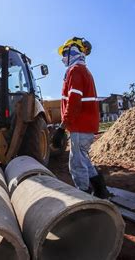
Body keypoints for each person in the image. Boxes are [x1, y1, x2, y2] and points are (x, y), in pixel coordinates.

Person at [57, 37, 110, 199]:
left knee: (77, 164)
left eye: (65, 52)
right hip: (85, 126)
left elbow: (74, 102)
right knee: (84, 160)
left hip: (79, 126)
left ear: (73, 51)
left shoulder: (76, 71)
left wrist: (62, 126)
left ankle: (84, 198)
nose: (63, 57)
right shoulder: (83, 71)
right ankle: (101, 191)